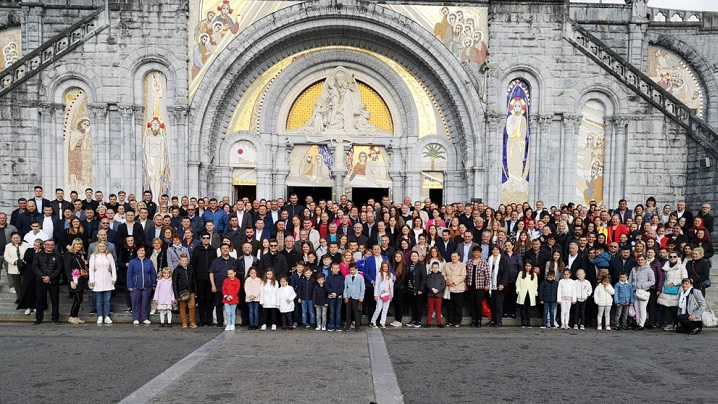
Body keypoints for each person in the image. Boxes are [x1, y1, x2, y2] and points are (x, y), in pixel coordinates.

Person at [32, 239, 63, 325]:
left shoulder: (58, 256)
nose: (50, 246)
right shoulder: (37, 255)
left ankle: (55, 318)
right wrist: (43, 276)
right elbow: (35, 267)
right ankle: (38, 318)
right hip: (40, 281)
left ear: (54, 246)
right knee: (39, 300)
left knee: (55, 301)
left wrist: (49, 277)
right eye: (48, 244)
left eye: (52, 245)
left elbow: (59, 269)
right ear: (44, 245)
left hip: (53, 282)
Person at [127, 245, 157, 325]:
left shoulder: (149, 262)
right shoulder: (132, 262)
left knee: (146, 302)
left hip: (147, 286)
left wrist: (153, 283)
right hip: (135, 285)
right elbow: (129, 274)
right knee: (135, 302)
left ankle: (145, 318)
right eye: (140, 250)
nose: (141, 252)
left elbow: (153, 273)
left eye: (143, 250)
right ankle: (135, 318)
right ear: (137, 252)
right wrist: (130, 285)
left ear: (145, 252)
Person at [658, 252, 687, 331]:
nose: (672, 258)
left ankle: (676, 324)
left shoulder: (681, 266)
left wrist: (675, 283)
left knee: (675, 308)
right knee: (667, 307)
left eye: (674, 256)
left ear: (677, 257)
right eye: (670, 256)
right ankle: (669, 324)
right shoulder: (665, 266)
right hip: (666, 289)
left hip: (677, 289)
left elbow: (685, 278)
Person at [88, 241, 116, 324]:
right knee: (99, 300)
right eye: (100, 246)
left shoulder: (109, 256)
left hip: (107, 279)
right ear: (97, 247)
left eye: (103, 246)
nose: (102, 248)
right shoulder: (93, 256)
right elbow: (91, 268)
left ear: (105, 247)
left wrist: (114, 278)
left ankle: (107, 316)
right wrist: (92, 279)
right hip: (97, 280)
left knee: (107, 299)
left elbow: (113, 268)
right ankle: (100, 316)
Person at [209, 244, 236, 327]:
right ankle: (220, 322)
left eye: (226, 248)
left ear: (229, 249)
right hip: (219, 287)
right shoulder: (215, 261)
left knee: (231, 306)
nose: (225, 250)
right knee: (218, 305)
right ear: (220, 250)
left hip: (231, 288)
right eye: (223, 248)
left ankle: (230, 322)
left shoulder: (234, 261)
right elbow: (211, 273)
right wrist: (213, 285)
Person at [64, 238, 88, 325]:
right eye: (77, 244)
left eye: (80, 244)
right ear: (73, 245)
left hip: (81, 279)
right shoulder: (69, 254)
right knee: (78, 298)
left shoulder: (80, 254)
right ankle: (71, 316)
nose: (79, 246)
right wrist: (70, 281)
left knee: (79, 298)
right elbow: (67, 269)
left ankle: (75, 316)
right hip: (74, 279)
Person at [629, 255, 655, 330]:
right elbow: (630, 280)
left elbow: (652, 281)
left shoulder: (649, 270)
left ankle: (641, 324)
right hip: (635, 291)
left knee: (642, 308)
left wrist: (642, 285)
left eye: (642, 260)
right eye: (639, 259)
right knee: (636, 308)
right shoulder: (634, 269)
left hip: (644, 291)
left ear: (645, 261)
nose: (640, 261)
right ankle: (637, 322)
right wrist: (632, 287)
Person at [466, 245, 489, 327]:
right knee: (472, 303)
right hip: (471, 286)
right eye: (475, 252)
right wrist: (466, 284)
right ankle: (473, 319)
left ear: (480, 253)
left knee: (478, 303)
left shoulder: (484, 262)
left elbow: (487, 275)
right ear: (473, 252)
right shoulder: (469, 262)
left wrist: (487, 284)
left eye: (478, 252)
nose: (476, 253)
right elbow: (466, 274)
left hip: (480, 286)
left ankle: (479, 320)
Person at [4, 232, 29, 304]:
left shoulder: (26, 245)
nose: (16, 239)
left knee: (24, 283)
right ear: (11, 239)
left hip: (24, 267)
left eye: (17, 238)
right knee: (17, 284)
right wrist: (14, 262)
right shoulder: (8, 246)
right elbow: (6, 257)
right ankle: (19, 297)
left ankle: (26, 297)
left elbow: (28, 255)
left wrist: (23, 262)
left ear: (20, 237)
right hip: (13, 267)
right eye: (14, 238)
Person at [487, 245, 509, 327]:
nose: (495, 251)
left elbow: (506, 273)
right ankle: (493, 320)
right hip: (491, 286)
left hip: (499, 285)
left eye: (496, 249)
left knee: (498, 305)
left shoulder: (503, 260)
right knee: (492, 304)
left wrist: (502, 283)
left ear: (499, 251)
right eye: (493, 249)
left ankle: (498, 321)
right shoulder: (488, 260)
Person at [173, 253, 196, 328]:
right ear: (179, 261)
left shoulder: (191, 269)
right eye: (182, 261)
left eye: (185, 261)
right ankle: (184, 322)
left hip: (191, 290)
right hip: (182, 291)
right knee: (182, 307)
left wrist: (195, 292)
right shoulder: (177, 270)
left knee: (192, 307)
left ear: (188, 261)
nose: (184, 262)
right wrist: (176, 295)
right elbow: (174, 283)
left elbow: (194, 281)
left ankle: (192, 322)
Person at [443, 252, 466, 327]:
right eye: (452, 256)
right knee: (450, 305)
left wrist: (453, 281)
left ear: (459, 257)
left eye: (455, 256)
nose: (453, 258)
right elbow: (443, 274)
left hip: (459, 287)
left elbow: (463, 276)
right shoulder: (447, 265)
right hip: (449, 287)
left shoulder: (462, 265)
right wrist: (447, 281)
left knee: (458, 306)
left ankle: (457, 321)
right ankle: (450, 321)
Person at [405, 251, 427, 328]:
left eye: (415, 256)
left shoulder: (421, 266)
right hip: (410, 289)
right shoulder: (408, 265)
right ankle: (414, 319)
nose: (413, 257)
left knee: (418, 306)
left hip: (418, 290)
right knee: (413, 305)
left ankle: (418, 320)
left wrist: (421, 289)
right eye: (412, 256)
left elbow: (424, 278)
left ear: (418, 257)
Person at [370, 261, 394, 328]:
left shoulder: (391, 275)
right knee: (378, 308)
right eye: (384, 267)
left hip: (387, 294)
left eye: (386, 267)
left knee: (385, 309)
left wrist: (391, 295)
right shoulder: (379, 274)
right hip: (380, 294)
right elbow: (377, 284)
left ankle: (382, 322)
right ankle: (373, 321)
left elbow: (391, 286)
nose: (385, 268)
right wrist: (375, 295)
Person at [515, 262, 538, 328]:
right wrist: (518, 290)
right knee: (522, 309)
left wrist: (534, 292)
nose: (528, 267)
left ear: (531, 267)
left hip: (530, 294)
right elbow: (518, 283)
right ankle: (522, 323)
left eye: (529, 266)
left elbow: (535, 284)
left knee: (528, 310)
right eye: (526, 266)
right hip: (523, 293)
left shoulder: (534, 275)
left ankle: (528, 323)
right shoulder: (521, 273)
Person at [344, 263, 365, 332]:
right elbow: (345, 287)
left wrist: (361, 297)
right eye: (350, 270)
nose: (352, 271)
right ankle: (348, 326)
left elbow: (362, 288)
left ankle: (357, 326)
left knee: (356, 312)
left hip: (356, 296)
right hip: (349, 296)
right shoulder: (347, 277)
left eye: (353, 270)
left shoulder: (360, 277)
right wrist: (345, 296)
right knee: (348, 312)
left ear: (357, 269)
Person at [425, 261, 446, 327]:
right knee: (430, 309)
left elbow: (443, 285)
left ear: (438, 268)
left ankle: (439, 322)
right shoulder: (428, 276)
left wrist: (438, 289)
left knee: (438, 309)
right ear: (431, 268)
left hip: (438, 295)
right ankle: (428, 322)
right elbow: (427, 283)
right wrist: (432, 289)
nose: (435, 269)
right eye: (433, 267)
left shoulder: (441, 276)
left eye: (436, 267)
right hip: (430, 294)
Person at [325, 262, 344, 331]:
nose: (335, 270)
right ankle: (331, 325)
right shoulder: (329, 277)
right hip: (331, 297)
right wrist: (332, 292)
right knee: (331, 311)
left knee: (338, 311)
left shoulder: (341, 278)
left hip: (339, 297)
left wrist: (337, 293)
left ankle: (338, 325)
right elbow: (327, 286)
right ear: (331, 269)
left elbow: (342, 287)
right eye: (334, 268)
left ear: (339, 269)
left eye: (336, 268)